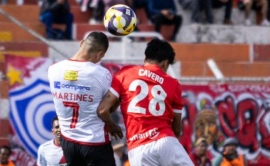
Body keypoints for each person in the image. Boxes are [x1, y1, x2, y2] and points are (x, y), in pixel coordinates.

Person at [97, 38, 193, 166]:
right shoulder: (173, 84)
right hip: (165, 140)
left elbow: (103, 110)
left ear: (145, 59)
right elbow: (177, 129)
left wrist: (111, 125)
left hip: (138, 148)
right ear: (165, 63)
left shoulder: (125, 73)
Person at [48, 31, 122, 166]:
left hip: (68, 142)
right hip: (94, 142)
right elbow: (106, 109)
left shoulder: (53, 70)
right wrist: (111, 124)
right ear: (100, 54)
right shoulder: (102, 74)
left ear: (81, 43)